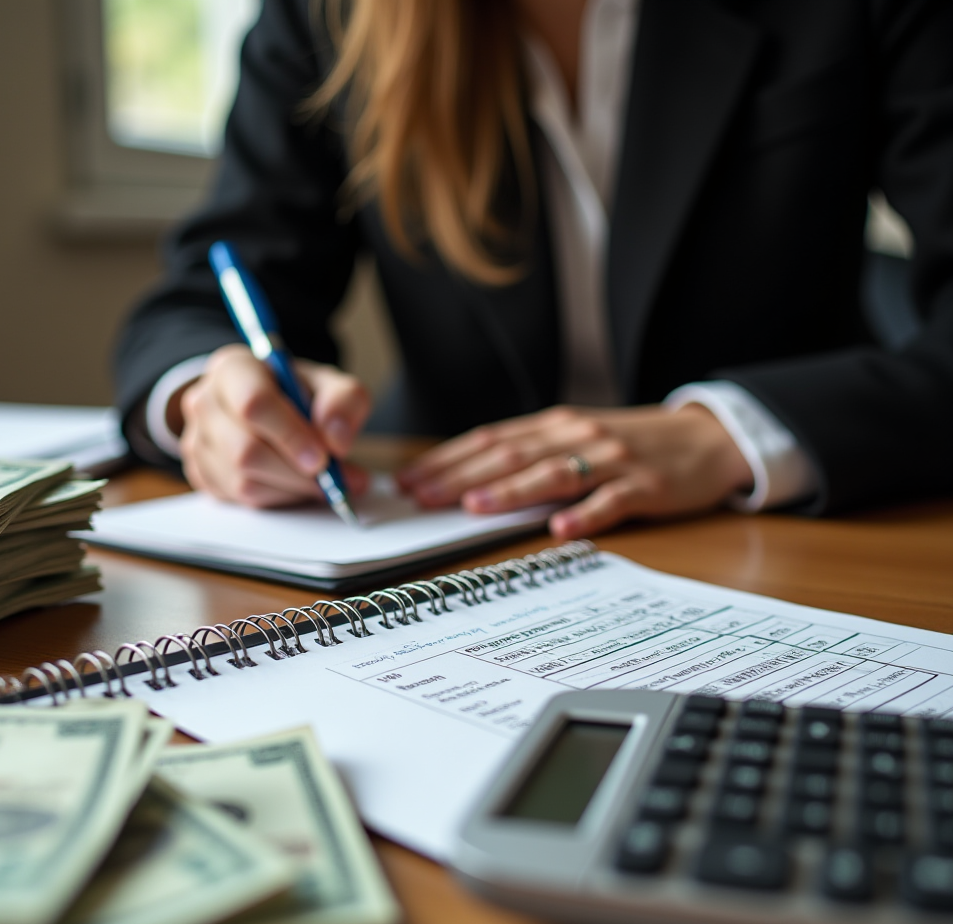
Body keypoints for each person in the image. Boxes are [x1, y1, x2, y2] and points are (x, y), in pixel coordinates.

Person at [116, 0, 953, 539]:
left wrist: (730, 435)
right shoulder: (328, 16)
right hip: (443, 524)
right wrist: (208, 399)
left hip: (782, 523)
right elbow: (209, 293)